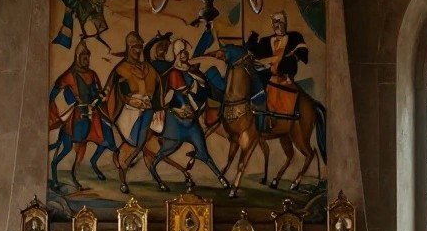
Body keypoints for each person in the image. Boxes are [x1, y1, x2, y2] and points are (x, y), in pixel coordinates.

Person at [150, 38, 228, 187]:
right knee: (166, 151)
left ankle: (221, 178)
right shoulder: (173, 72)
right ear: (177, 54)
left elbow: (202, 89)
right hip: (176, 121)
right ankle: (153, 169)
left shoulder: (192, 70)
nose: (185, 54)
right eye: (181, 51)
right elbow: (178, 93)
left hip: (191, 120)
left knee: (204, 153)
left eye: (185, 51)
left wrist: (200, 84)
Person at [48, 40, 115, 187]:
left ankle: (92, 163)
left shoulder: (92, 74)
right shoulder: (70, 75)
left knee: (106, 135)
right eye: (83, 56)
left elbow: (98, 91)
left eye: (87, 56)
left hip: (93, 113)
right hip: (79, 115)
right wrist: (51, 103)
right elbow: (56, 90)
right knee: (73, 146)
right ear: (77, 57)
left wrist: (100, 98)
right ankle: (69, 175)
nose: (86, 59)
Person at [246, 10, 309, 132]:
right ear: (272, 25)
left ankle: (267, 119)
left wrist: (289, 57)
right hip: (266, 72)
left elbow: (302, 51)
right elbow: (254, 53)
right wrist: (252, 39)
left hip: (284, 73)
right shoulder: (265, 41)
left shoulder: (295, 36)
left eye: (281, 22)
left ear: (285, 22)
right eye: (275, 23)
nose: (278, 26)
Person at [104, 30, 164, 149]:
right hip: (129, 112)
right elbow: (109, 88)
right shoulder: (121, 69)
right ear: (129, 48)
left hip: (149, 109)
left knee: (157, 122)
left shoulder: (149, 69)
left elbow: (158, 91)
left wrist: (158, 108)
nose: (138, 51)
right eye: (135, 48)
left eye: (140, 47)